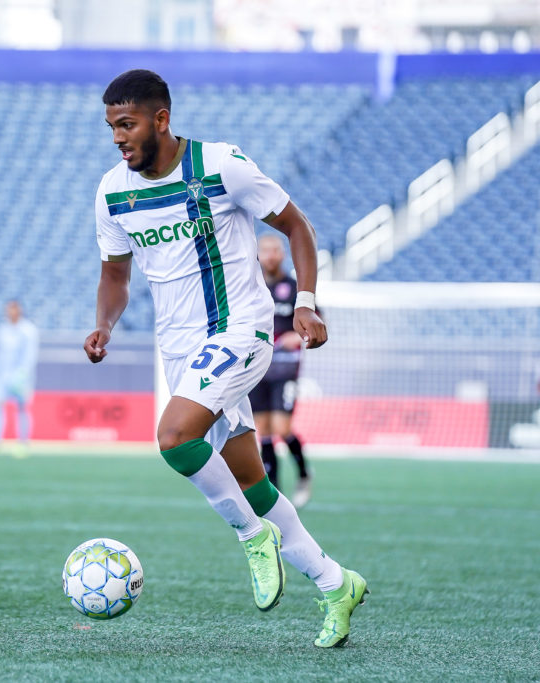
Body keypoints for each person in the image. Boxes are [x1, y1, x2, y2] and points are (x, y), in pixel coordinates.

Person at [84, 70, 366, 647]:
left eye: (128, 124)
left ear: (162, 119)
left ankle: (251, 538)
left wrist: (306, 304)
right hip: (181, 349)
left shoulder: (220, 165)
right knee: (252, 482)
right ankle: (336, 584)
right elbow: (115, 274)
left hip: (241, 330)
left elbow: (296, 226)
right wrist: (103, 325)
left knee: (174, 439)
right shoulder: (113, 190)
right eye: (112, 126)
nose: (118, 137)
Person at [250, 233, 313, 507]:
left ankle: (303, 472)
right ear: (258, 254)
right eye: (266, 250)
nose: (271, 255)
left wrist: (297, 337)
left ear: (283, 254)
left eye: (276, 250)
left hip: (285, 368)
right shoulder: (249, 286)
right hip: (256, 368)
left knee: (281, 427)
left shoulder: (295, 287)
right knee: (262, 430)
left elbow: (312, 323)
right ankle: (275, 494)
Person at [0, 300, 39, 456]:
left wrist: (22, 374)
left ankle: (23, 443)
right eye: (8, 309)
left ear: (20, 310)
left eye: (14, 309)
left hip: (21, 377)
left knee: (22, 408)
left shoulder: (28, 330)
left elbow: (30, 355)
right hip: (2, 376)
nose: (11, 312)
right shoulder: (2, 329)